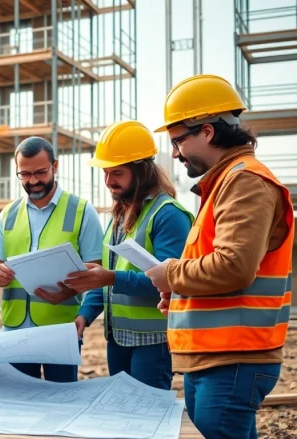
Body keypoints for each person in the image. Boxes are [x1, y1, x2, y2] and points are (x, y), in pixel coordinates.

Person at [145, 74, 294, 438]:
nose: (175, 153)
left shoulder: (245, 182)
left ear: (207, 131)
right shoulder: (224, 183)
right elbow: (218, 267)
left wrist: (172, 274)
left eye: (178, 141)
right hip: (216, 357)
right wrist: (180, 295)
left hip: (235, 358)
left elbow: (233, 267)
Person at [63, 120, 193, 390]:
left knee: (147, 420)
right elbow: (106, 281)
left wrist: (110, 277)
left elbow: (173, 283)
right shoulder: (118, 216)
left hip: (153, 342)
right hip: (119, 340)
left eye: (117, 173)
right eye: (106, 173)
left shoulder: (167, 214)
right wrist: (84, 315)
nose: (109, 181)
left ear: (142, 171)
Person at [0, 137, 104, 382]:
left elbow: (98, 272)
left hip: (61, 328)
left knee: (62, 404)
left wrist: (68, 293)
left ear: (55, 166)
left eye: (40, 172)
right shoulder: (7, 214)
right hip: (15, 330)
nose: (32, 181)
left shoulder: (82, 211)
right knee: (18, 404)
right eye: (25, 174)